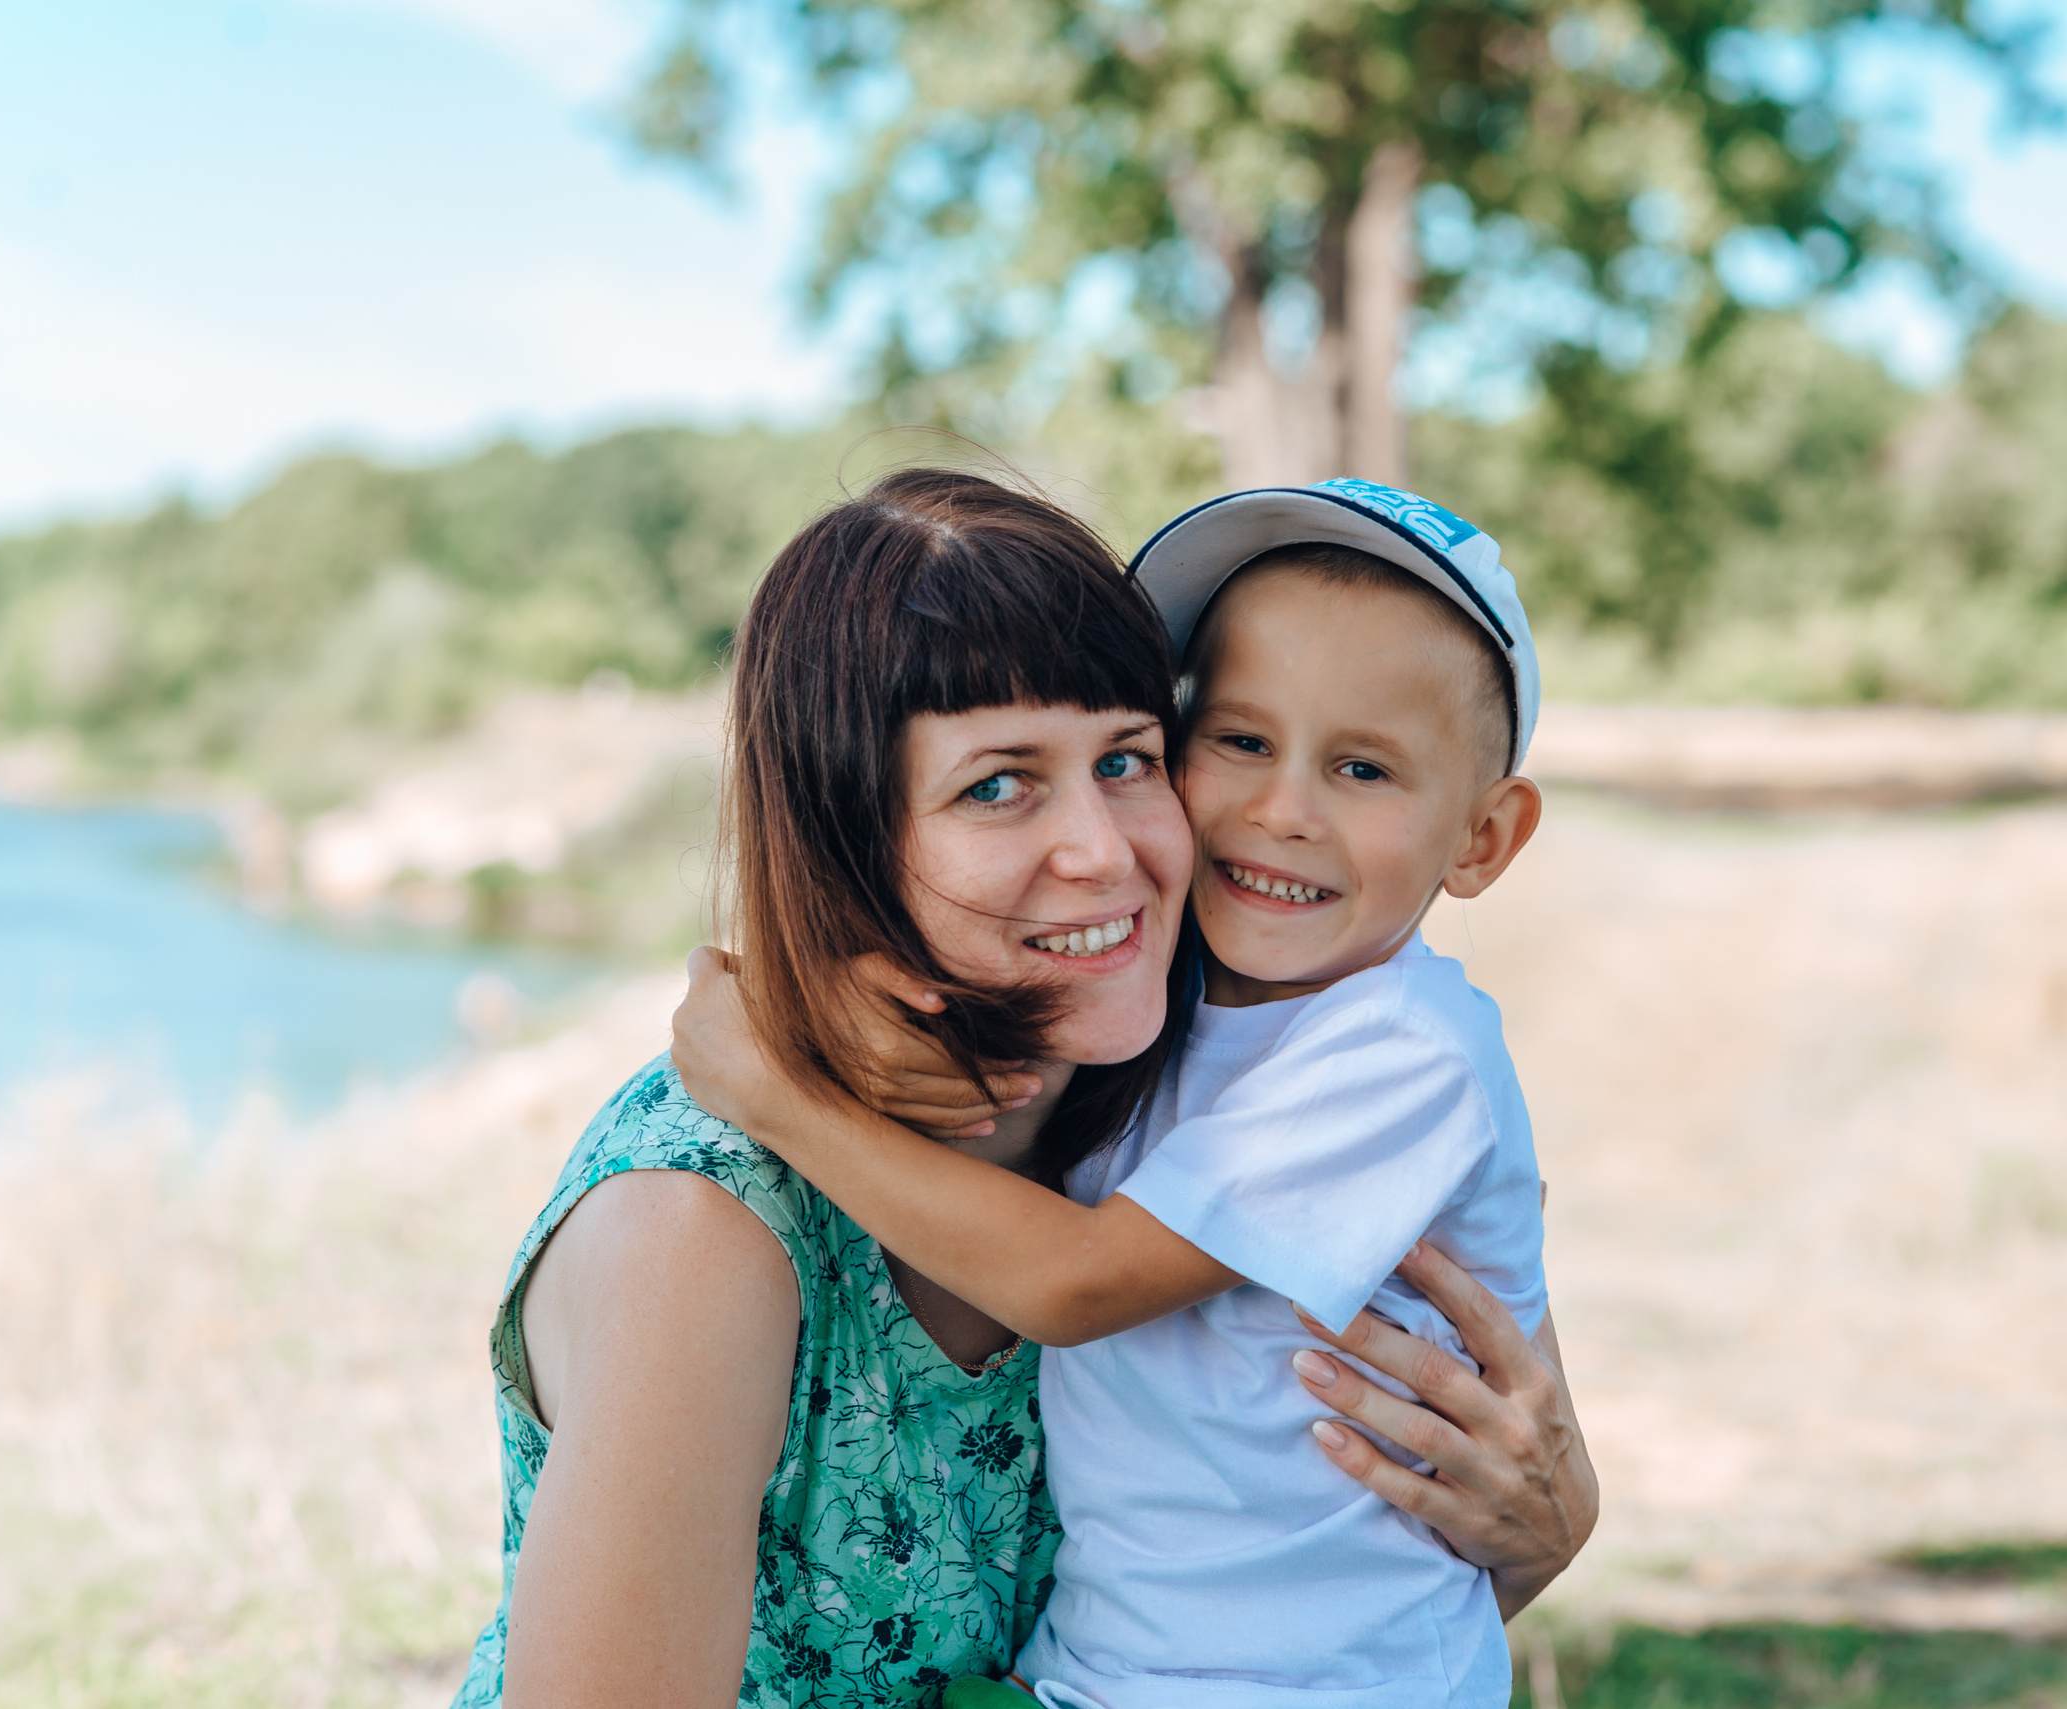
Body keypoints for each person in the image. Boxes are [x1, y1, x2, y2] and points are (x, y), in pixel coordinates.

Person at [452, 468, 1597, 1709]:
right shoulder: (708, 1222)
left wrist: (1556, 1514)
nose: (1101, 851)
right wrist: (779, 1057)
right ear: (845, 829)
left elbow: (1428, 1528)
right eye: (996, 784)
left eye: (1127, 757)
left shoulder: (1191, 1068)